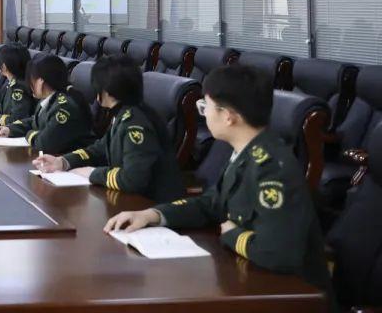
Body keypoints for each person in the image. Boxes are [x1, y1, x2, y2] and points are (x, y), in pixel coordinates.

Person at [105, 63, 331, 295]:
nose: (204, 114)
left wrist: (232, 234)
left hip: (290, 296)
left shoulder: (271, 168)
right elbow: (211, 204)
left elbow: (278, 254)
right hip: (250, 278)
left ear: (229, 117)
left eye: (205, 107)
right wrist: (153, 215)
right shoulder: (244, 152)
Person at [33, 55, 184, 203]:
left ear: (105, 91)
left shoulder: (135, 124)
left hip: (150, 205)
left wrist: (92, 173)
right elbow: (99, 149)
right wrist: (63, 162)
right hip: (130, 200)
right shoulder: (124, 114)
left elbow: (133, 179)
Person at [6, 55, 94, 153]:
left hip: (69, 159)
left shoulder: (64, 107)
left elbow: (44, 144)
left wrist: (29, 134)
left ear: (40, 82)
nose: (29, 84)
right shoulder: (49, 99)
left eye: (31, 80)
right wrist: (10, 129)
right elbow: (35, 121)